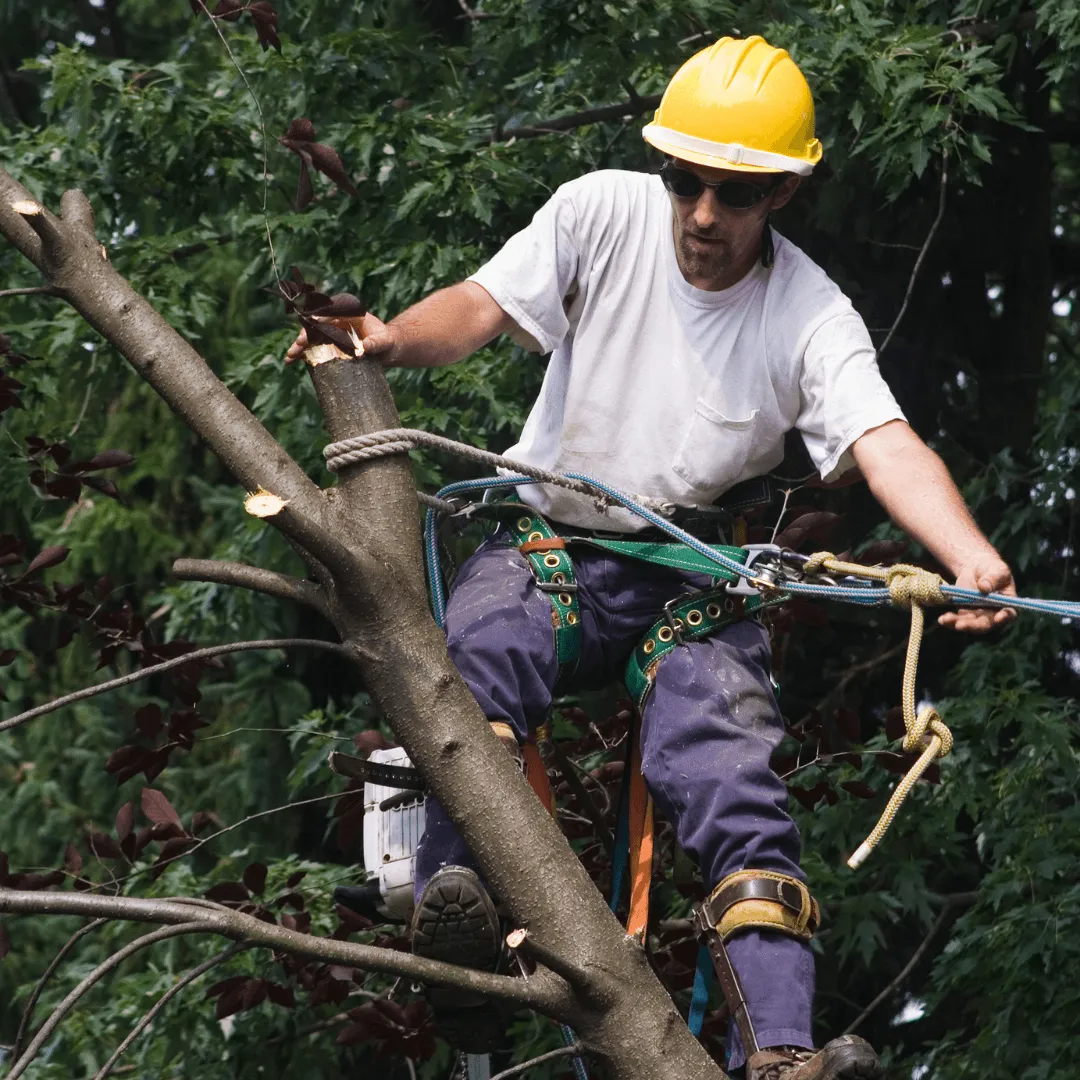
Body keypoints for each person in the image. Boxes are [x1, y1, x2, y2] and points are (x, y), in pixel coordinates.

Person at [288, 35, 1016, 1080]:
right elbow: (483, 306)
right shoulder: (601, 213)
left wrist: (967, 553)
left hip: (692, 575)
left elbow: (881, 441)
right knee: (478, 658)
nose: (705, 214)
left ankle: (782, 1057)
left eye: (736, 192)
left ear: (785, 193)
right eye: (687, 181)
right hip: (550, 545)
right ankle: (460, 943)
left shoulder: (807, 313)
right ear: (663, 170)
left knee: (734, 777)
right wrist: (389, 340)